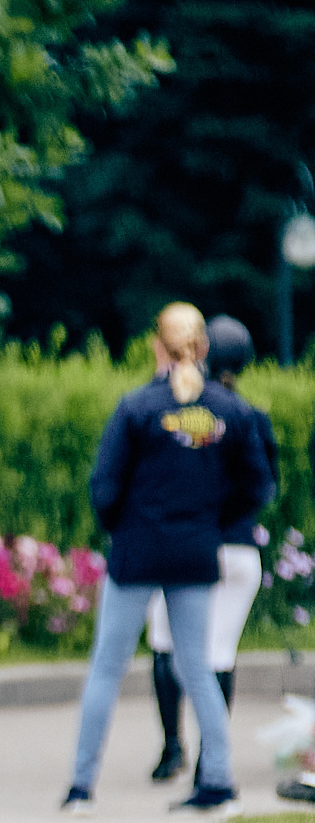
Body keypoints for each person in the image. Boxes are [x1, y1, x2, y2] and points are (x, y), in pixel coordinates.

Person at [61, 303, 273, 816]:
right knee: (197, 667)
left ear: (157, 345)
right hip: (197, 550)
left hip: (137, 551)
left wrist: (126, 529)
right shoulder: (230, 411)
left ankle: (81, 788)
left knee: (107, 667)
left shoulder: (136, 408)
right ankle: (218, 780)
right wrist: (213, 523)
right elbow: (258, 486)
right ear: (203, 349)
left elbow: (105, 486)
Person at [143, 315, 272, 785]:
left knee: (164, 642)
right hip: (237, 549)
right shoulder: (251, 415)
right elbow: (263, 487)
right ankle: (207, 758)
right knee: (218, 653)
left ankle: (172, 747)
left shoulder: (175, 409)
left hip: (182, 546)